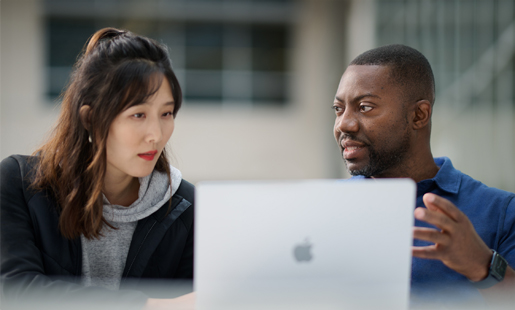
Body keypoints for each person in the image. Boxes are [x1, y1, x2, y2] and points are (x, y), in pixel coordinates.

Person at [0, 28, 195, 310]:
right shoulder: (19, 183)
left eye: (166, 113)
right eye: (138, 114)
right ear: (90, 119)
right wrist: (149, 305)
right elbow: (18, 292)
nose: (156, 134)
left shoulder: (186, 208)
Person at [332, 44, 515, 305]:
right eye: (338, 109)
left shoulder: (502, 212)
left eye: (364, 107)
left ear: (419, 115)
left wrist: (482, 265)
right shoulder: (322, 206)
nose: (344, 124)